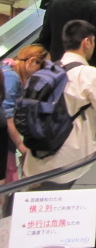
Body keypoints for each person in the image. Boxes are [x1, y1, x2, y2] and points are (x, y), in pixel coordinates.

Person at [23, 21, 96, 190]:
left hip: (36, 158)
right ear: (87, 42)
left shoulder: (47, 70)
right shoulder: (88, 74)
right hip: (69, 160)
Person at [2, 45, 49, 183]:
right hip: (3, 139)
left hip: (5, 136)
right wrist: (20, 145)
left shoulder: (9, 71)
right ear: (32, 61)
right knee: (8, 176)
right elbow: (7, 115)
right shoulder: (11, 77)